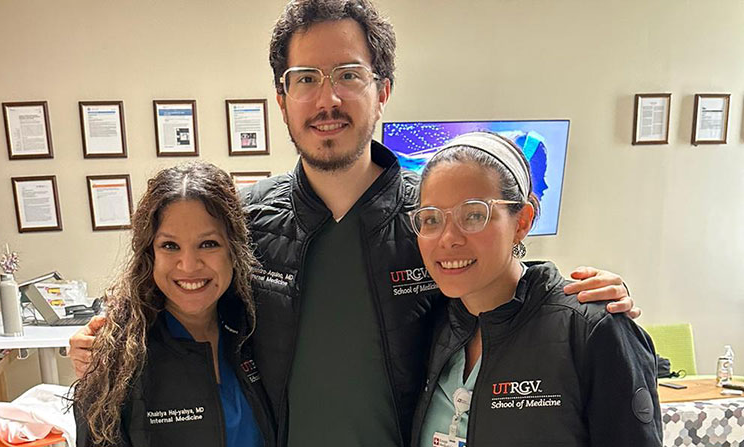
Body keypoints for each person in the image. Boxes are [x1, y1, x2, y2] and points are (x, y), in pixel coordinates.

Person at [70, 1, 639, 446]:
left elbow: (501, 277)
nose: (328, 99)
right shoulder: (244, 225)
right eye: (306, 79)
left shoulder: (428, 222)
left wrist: (586, 300)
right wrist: (111, 339)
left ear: (382, 90)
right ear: (282, 98)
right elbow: (181, 295)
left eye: (348, 74)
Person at [410, 132, 662, 446]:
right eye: (431, 219)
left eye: (474, 215)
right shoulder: (428, 326)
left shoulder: (589, 330)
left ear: (522, 221)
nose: (448, 238)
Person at [72, 162, 275, 447]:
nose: (189, 265)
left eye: (208, 244)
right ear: (149, 253)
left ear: (234, 248)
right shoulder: (115, 359)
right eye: (170, 246)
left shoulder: (260, 331)